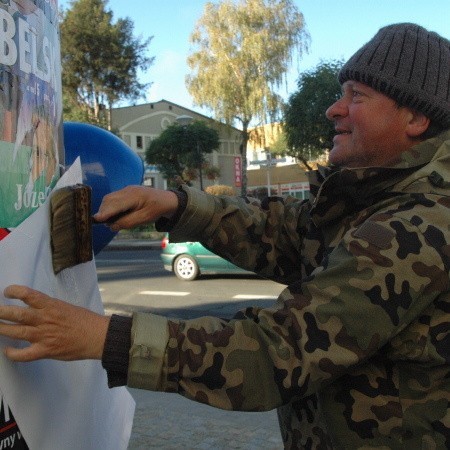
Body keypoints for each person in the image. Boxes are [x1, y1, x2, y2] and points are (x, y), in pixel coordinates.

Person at [0, 22, 449, 449]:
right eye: (340, 93)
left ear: (415, 120)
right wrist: (177, 206)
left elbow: (280, 353)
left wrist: (105, 338)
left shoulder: (421, 226)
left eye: (357, 96)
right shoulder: (372, 198)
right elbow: (287, 232)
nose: (335, 108)